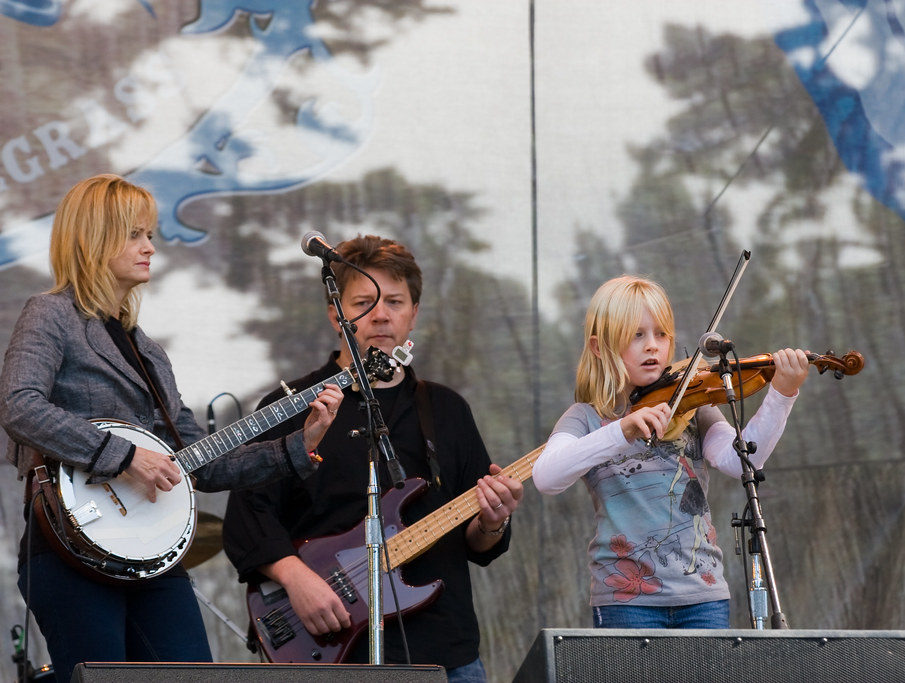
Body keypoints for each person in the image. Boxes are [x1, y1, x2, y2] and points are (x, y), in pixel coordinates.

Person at [0, 174, 344, 683]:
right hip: (70, 551)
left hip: (152, 557)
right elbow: (19, 405)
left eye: (151, 234)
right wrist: (122, 456)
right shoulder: (50, 315)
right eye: (136, 235)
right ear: (95, 237)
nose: (150, 248)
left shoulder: (148, 352)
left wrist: (300, 444)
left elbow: (202, 461)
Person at [222, 234, 522, 683]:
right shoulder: (291, 406)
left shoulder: (446, 409)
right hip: (330, 646)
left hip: (443, 649)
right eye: (364, 302)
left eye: (396, 302)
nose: (381, 314)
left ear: (414, 313)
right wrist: (298, 581)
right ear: (334, 314)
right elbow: (248, 517)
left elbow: (478, 543)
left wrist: (494, 520)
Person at [532, 275, 809, 629]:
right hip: (627, 600)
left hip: (703, 595)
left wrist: (782, 395)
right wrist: (621, 430)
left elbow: (740, 459)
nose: (653, 346)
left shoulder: (693, 408)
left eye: (661, 334)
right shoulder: (586, 418)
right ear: (600, 347)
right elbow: (546, 477)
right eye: (637, 335)